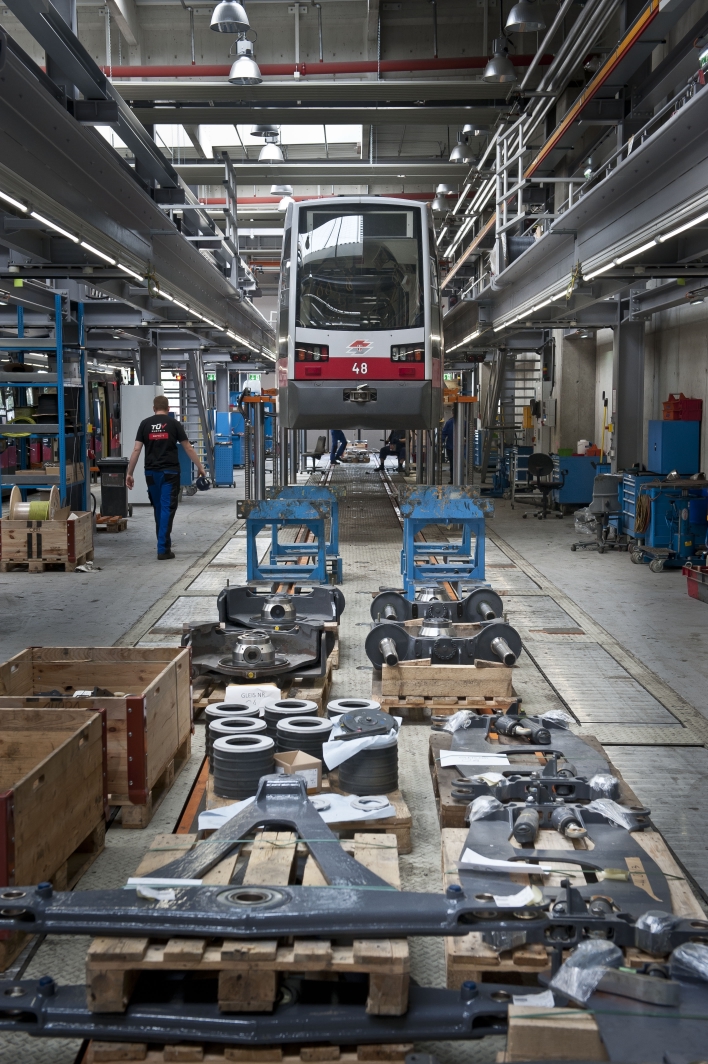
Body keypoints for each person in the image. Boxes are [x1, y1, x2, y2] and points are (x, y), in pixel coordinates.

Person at [126, 395, 206, 560]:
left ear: (154, 408)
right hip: (170, 473)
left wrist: (129, 472)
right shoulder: (174, 424)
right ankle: (162, 549)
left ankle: (164, 544)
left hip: (151, 473)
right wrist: (200, 466)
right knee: (167, 509)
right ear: (168, 409)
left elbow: (136, 450)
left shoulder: (145, 424)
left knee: (159, 508)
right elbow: (188, 448)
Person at [441, 416, 454, 483]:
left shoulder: (464, 422)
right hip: (451, 447)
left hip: (452, 447)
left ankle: (454, 479)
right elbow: (444, 433)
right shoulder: (449, 422)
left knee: (453, 464)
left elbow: (444, 433)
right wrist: (441, 443)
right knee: (452, 464)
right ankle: (453, 478)